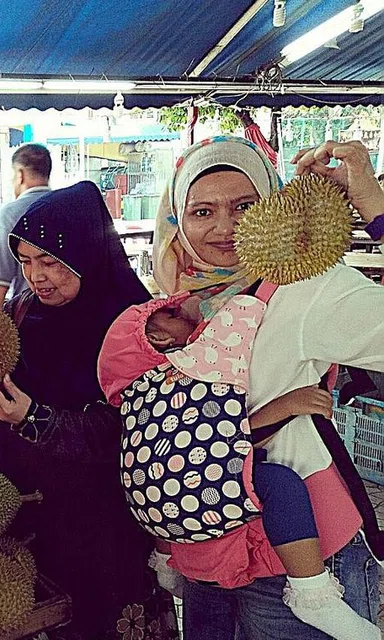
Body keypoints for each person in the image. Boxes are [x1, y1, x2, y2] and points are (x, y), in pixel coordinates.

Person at [99, 136, 384, 640]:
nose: (225, 228)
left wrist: (374, 208)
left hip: (294, 559)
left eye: (247, 207)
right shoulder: (173, 303)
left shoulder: (307, 289)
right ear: (177, 219)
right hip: (204, 548)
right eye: (202, 210)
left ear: (274, 208)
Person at [0, 182, 176, 639]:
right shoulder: (19, 312)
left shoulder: (136, 325)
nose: (36, 276)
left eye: (50, 261)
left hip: (96, 524)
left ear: (88, 252)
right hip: (12, 510)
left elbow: (125, 429)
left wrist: (33, 419)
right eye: (26, 261)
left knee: (96, 620)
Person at [112, 297, 375, 639]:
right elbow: (221, 434)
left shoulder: (141, 392)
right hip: (232, 523)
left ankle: (166, 563)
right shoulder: (194, 366)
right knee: (279, 481)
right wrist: (285, 406)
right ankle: (311, 590)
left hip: (182, 534)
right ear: (160, 338)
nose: (190, 311)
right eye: (173, 314)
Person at [0, 143, 52, 307]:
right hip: (72, 317)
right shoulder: (66, 207)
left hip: (27, 316)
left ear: (20, 175)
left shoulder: (10, 213)